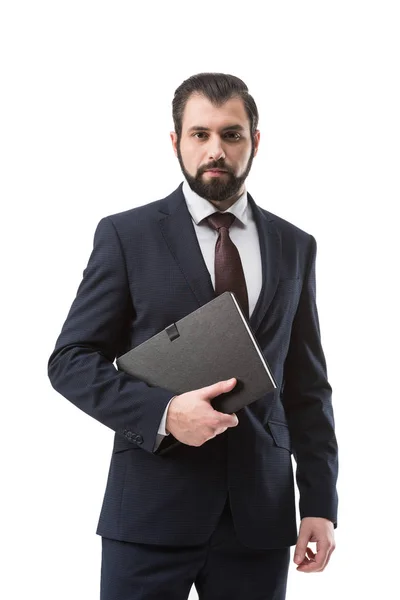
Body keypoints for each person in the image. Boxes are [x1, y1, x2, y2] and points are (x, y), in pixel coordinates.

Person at [48, 72, 338, 600]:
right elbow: (70, 360)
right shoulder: (126, 235)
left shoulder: (296, 245)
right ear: (175, 141)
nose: (216, 150)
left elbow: (307, 387)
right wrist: (163, 414)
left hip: (260, 515)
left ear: (255, 141)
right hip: (151, 510)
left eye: (232, 134)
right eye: (199, 134)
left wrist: (319, 501)